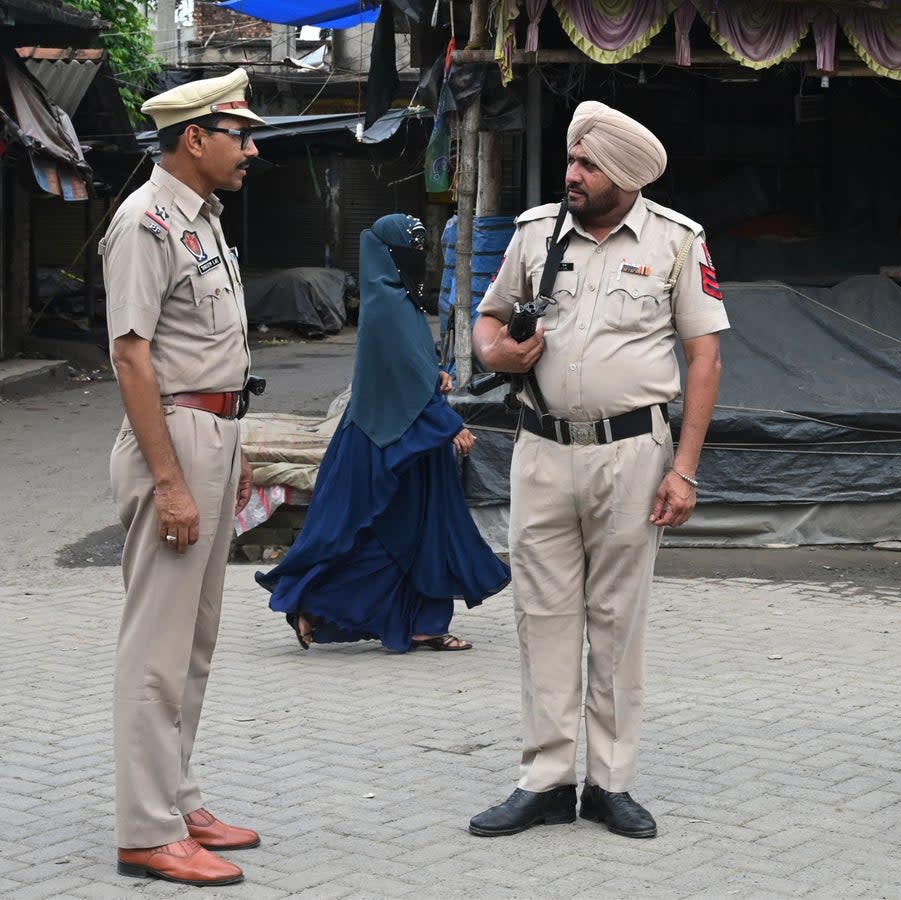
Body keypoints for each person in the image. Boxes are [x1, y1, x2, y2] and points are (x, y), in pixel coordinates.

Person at [468, 101, 728, 839]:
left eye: (587, 166)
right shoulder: (534, 233)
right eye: (572, 161)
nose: (572, 175)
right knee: (542, 617)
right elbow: (487, 321)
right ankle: (545, 780)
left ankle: (609, 785)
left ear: (627, 176)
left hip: (633, 454)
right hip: (541, 450)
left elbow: (704, 357)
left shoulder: (677, 241)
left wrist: (685, 469)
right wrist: (496, 354)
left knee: (617, 621)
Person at [103, 69, 263, 886]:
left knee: (193, 642)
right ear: (194, 138)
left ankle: (178, 797)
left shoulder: (201, 220)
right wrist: (170, 481)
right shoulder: (146, 222)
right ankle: (145, 829)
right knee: (157, 648)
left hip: (212, 432)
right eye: (240, 134)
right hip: (173, 436)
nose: (252, 149)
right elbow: (130, 355)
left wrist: (229, 460)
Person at [256, 214, 510, 653]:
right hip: (391, 440)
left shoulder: (397, 299)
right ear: (388, 254)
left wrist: (439, 376)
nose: (419, 256)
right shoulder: (388, 303)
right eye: (410, 248)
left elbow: (414, 365)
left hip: (409, 438)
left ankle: (422, 623)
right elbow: (403, 375)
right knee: (386, 536)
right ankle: (316, 605)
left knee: (418, 533)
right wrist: (448, 425)